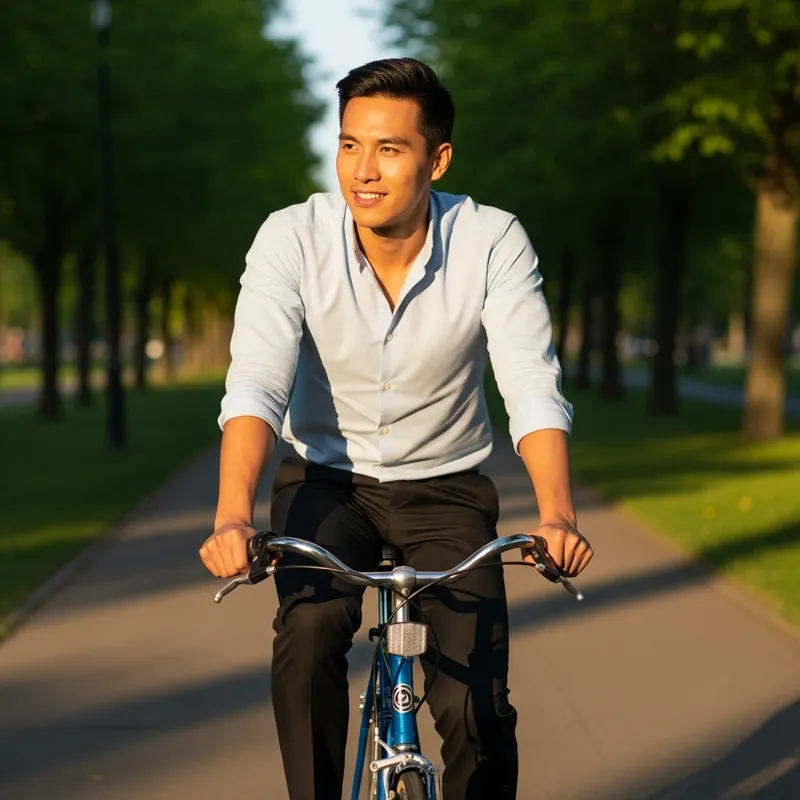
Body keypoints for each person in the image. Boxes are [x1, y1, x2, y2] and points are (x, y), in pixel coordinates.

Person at [199, 57, 593, 800]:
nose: (363, 171)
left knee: (477, 704)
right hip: (327, 484)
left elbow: (531, 384)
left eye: (389, 148)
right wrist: (230, 517)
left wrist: (558, 514)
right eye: (350, 144)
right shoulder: (293, 239)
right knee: (310, 634)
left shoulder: (492, 241)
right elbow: (255, 382)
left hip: (446, 490)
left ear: (437, 157)